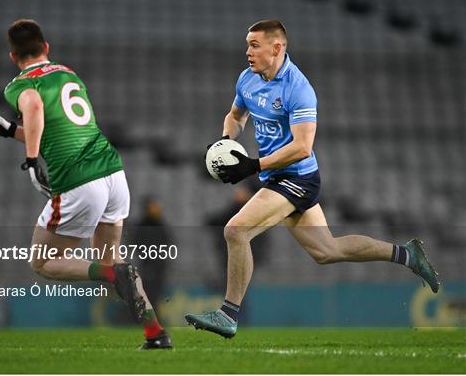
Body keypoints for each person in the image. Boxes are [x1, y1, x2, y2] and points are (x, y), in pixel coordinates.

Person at [185, 20, 440, 339]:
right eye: (248, 44)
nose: (247, 51)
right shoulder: (248, 79)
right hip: (276, 177)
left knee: (236, 231)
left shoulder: (298, 88)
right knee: (327, 251)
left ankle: (228, 314)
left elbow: (303, 147)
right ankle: (407, 254)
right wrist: (224, 142)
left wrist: (253, 165)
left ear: (276, 48)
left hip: (297, 178)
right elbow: (236, 116)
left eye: (254, 45)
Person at [0, 19, 172, 349]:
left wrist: (32, 161)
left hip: (80, 181)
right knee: (110, 258)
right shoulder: (68, 74)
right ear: (46, 48)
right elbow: (56, 129)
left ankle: (111, 276)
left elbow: (35, 108)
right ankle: (155, 333)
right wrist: (9, 130)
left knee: (43, 262)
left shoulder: (18, 86)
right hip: (113, 173)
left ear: (12, 56)